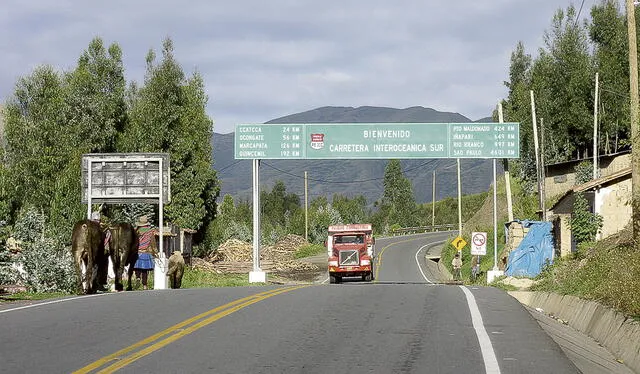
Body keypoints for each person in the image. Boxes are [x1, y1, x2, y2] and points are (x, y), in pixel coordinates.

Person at [133, 215, 157, 290]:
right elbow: (153, 243)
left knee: (137, 267)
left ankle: (137, 277)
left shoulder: (136, 231)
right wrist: (155, 252)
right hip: (146, 252)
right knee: (145, 270)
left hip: (137, 252)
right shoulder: (150, 232)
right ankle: (145, 285)